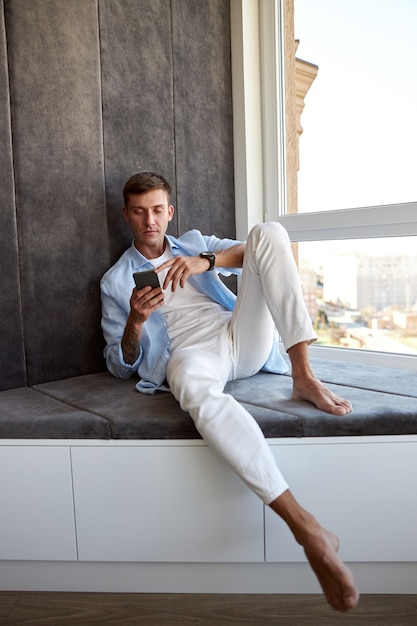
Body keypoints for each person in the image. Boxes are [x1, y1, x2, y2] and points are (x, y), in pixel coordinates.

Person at [100, 171, 359, 612]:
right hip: (190, 355)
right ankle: (305, 527)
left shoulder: (194, 242)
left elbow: (257, 253)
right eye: (140, 212)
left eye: (158, 210)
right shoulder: (116, 281)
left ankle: (303, 373)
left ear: (170, 212)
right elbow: (117, 363)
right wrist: (135, 324)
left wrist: (206, 260)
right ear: (127, 215)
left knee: (270, 231)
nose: (150, 221)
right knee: (194, 393)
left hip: (240, 334)